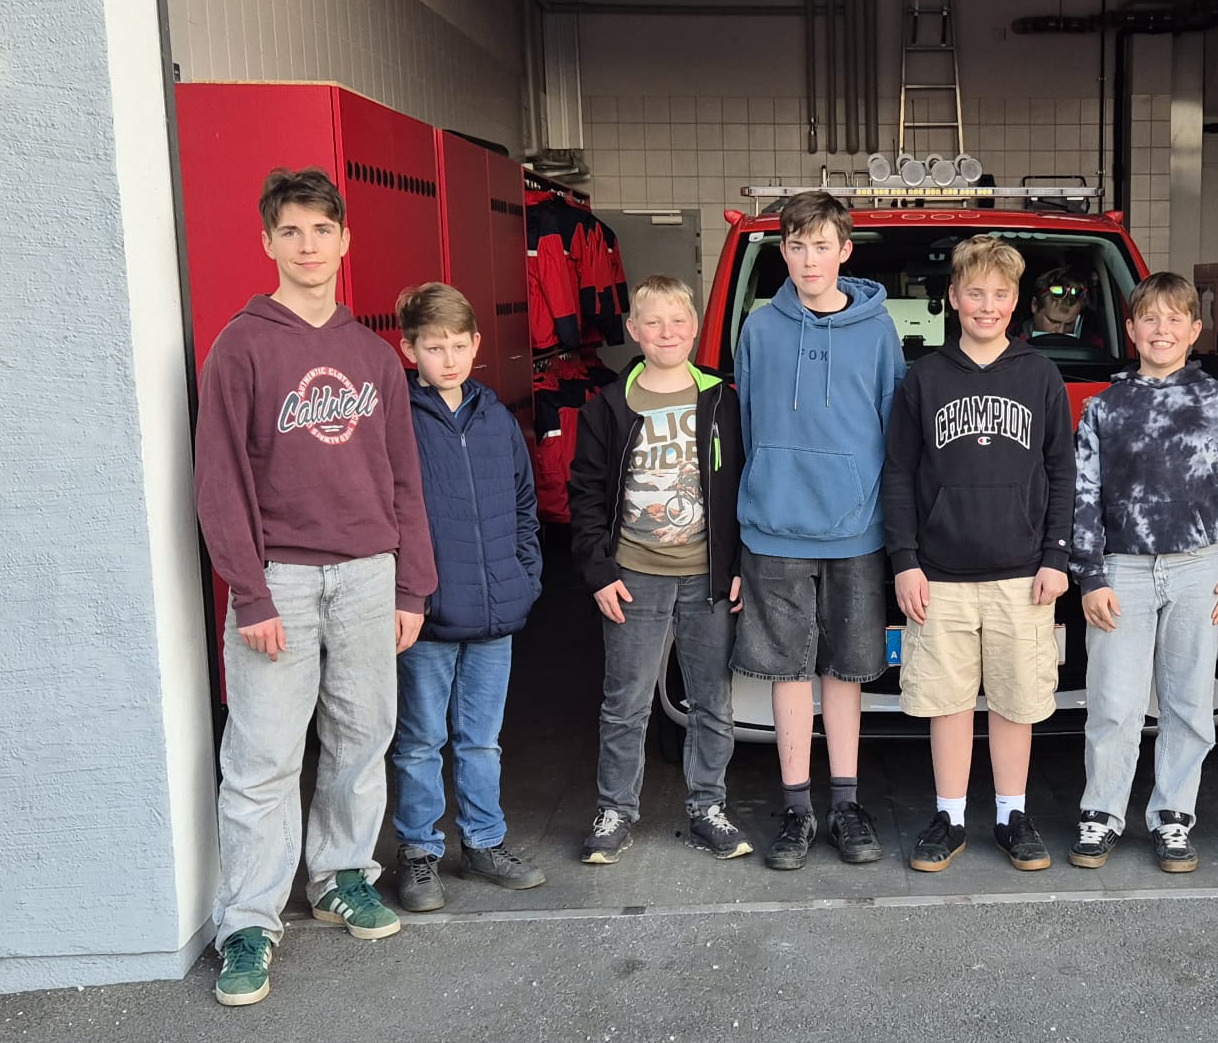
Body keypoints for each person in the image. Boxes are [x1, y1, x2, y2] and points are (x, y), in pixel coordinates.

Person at [193, 167, 436, 1007]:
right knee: (263, 755)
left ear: (344, 241)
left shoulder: (372, 355)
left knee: (362, 736)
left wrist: (413, 585)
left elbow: (404, 477)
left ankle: (341, 876)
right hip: (282, 578)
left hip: (369, 573)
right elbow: (220, 481)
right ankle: (248, 923)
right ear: (267, 242)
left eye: (321, 230)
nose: (307, 245)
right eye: (291, 231)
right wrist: (249, 592)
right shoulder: (242, 346)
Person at [883, 234, 1076, 872]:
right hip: (939, 574)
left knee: (1017, 702)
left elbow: (1062, 470)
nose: (987, 306)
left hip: (1022, 573)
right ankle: (951, 816)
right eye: (975, 293)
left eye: (999, 294)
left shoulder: (1040, 375)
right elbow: (898, 473)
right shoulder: (925, 377)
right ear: (953, 297)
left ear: (1016, 301)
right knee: (948, 702)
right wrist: (905, 560)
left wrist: (1056, 555)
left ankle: (1012, 814)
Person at [731, 190, 905, 871]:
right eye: (798, 246)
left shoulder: (878, 331)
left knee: (845, 670)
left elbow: (893, 430)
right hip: (773, 527)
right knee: (787, 671)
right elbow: (748, 430)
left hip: (856, 529)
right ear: (784, 251)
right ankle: (796, 808)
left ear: (845, 251)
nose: (810, 260)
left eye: (822, 246)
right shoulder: (759, 329)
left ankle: (847, 805)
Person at [1069, 273, 1218, 874]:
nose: (1162, 330)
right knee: (1114, 701)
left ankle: (1174, 814)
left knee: (1189, 701)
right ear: (1131, 329)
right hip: (1123, 569)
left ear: (1195, 330)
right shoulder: (1104, 407)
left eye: (1175, 319)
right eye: (1150, 318)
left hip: (1200, 567)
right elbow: (1084, 496)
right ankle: (1102, 812)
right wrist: (1090, 575)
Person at [569, 276, 752, 864]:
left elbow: (742, 486)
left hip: (707, 577)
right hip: (633, 575)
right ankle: (615, 812)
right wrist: (599, 570)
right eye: (652, 322)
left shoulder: (722, 399)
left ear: (694, 326)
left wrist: (738, 565)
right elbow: (585, 493)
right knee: (625, 703)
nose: (666, 332)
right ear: (633, 330)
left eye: (677, 321)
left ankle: (708, 809)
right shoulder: (608, 405)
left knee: (712, 701)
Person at [388, 283, 546, 914]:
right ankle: (419, 852)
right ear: (409, 350)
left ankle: (483, 843)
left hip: (494, 612)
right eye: (434, 347)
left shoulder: (495, 417)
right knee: (420, 741)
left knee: (482, 739)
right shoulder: (397, 418)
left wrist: (524, 577)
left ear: (477, 344)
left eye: (458, 345)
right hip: (427, 615)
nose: (448, 359)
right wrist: (407, 593)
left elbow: (525, 504)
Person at [1021, 265, 1093, 343]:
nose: (1060, 331)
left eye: (1069, 324)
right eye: (1053, 321)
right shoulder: (1011, 340)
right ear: (1034, 305)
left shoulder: (1093, 345)